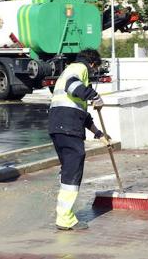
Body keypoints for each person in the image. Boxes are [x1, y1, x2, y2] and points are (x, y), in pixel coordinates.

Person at [48, 49, 106, 231]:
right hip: (68, 126)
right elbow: (72, 86)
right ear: (93, 64)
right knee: (73, 172)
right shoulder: (79, 69)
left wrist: (99, 133)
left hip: (59, 126)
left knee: (69, 169)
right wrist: (95, 96)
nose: (94, 74)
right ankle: (65, 219)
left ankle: (63, 214)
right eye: (95, 70)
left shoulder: (68, 71)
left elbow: (81, 113)